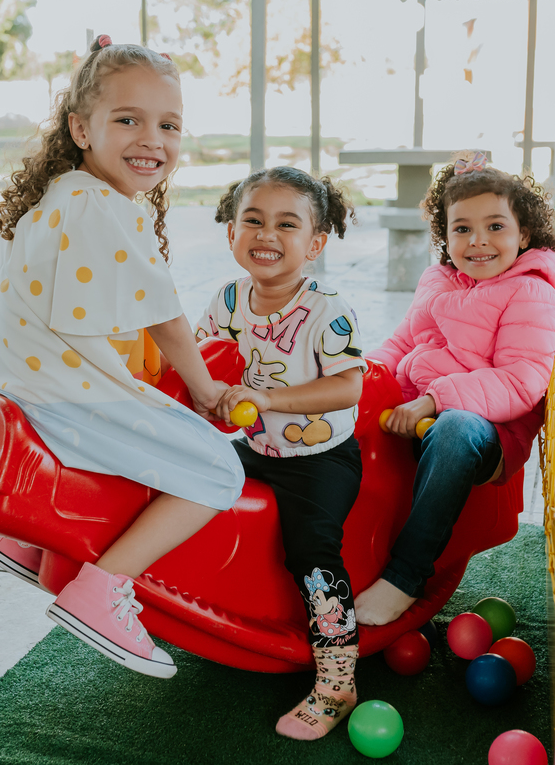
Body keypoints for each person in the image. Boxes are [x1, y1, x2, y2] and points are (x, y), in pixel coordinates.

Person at [0, 35, 243, 679]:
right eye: (128, 120)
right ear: (81, 128)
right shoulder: (103, 207)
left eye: (169, 125)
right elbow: (166, 318)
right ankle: (101, 592)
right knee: (217, 470)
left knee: (151, 434)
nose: (151, 139)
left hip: (28, 384)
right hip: (69, 394)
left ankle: (34, 541)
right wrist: (208, 391)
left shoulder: (65, 194)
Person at [354, 151, 555, 626]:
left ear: (523, 234)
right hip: (416, 413)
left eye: (495, 226)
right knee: (342, 404)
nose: (478, 240)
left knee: (454, 428)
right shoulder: (438, 281)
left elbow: (522, 381)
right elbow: (402, 342)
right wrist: (364, 376)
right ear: (445, 236)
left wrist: (435, 400)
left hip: (485, 432)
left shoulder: (531, 290)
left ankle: (406, 576)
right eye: (462, 228)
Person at [199, 167, 365, 740]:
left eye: (287, 224)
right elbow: (202, 361)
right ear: (231, 233)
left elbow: (348, 387)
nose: (266, 234)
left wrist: (266, 397)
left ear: (315, 244)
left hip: (322, 459)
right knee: (186, 482)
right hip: (256, 447)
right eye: (253, 220)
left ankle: (338, 682)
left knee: (313, 553)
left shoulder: (327, 309)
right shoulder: (227, 300)